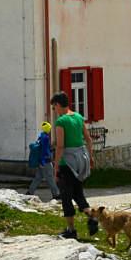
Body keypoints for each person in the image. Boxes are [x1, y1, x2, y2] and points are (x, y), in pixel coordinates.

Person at [50, 93, 97, 239]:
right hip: (81, 159)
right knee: (78, 192)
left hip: (67, 162)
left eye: (54, 107)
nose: (54, 110)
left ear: (58, 104)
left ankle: (71, 230)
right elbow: (88, 140)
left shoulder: (61, 121)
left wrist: (56, 167)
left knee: (66, 196)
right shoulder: (78, 117)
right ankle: (92, 216)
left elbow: (60, 146)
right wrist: (90, 157)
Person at [27, 122, 62, 199]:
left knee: (38, 177)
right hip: (45, 161)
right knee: (50, 178)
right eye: (49, 128)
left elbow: (43, 148)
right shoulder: (46, 138)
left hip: (41, 161)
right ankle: (56, 194)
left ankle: (30, 192)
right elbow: (44, 150)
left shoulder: (40, 136)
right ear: (47, 129)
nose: (50, 130)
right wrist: (43, 161)